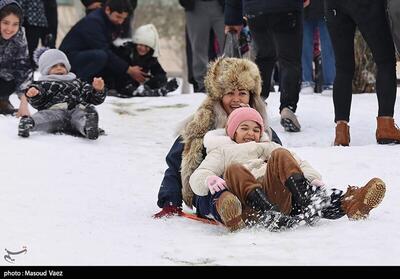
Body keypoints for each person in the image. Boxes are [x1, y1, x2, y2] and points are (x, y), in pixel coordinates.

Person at [190, 107, 386, 231]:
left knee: (281, 154)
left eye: (256, 129)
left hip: (276, 197)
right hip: (249, 203)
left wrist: (312, 178)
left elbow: (298, 162)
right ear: (233, 131)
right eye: (244, 128)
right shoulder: (222, 151)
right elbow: (198, 174)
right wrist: (209, 179)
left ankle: (341, 201)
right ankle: (269, 214)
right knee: (234, 169)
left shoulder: (268, 146)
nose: (251, 133)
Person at [153, 57, 282, 218]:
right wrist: (170, 201)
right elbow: (175, 164)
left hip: (257, 185)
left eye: (242, 93)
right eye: (230, 93)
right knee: (217, 190)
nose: (236, 99)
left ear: (251, 96)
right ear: (219, 96)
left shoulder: (260, 127)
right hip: (211, 189)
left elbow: (279, 158)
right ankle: (228, 207)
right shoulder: (201, 124)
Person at [325, 0, 400, 146]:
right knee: (385, 60)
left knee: (343, 67)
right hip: (366, 4)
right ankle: (386, 126)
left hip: (332, 5)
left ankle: (341, 131)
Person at [225, 0, 304, 133]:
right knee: (289, 59)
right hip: (286, 8)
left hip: (255, 9)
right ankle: (287, 107)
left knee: (264, 56)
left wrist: (233, 18)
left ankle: (257, 100)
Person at [18, 49, 106, 140]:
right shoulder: (43, 84)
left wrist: (98, 90)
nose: (59, 68)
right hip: (54, 111)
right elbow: (38, 102)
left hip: (76, 110)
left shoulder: (77, 82)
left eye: (62, 65)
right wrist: (35, 94)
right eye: (54, 66)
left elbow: (92, 98)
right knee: (44, 117)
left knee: (81, 116)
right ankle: (29, 123)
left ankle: (88, 126)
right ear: (45, 69)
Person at [59, 0, 133, 84]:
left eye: (124, 18)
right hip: (68, 59)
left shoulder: (109, 21)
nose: (121, 21)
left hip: (84, 54)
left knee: (118, 54)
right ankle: (77, 83)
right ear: (108, 10)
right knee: (101, 56)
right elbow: (103, 49)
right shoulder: (93, 21)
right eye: (118, 17)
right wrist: (128, 69)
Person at [109, 24, 178, 97]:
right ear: (136, 43)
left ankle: (154, 90)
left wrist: (158, 80)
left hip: (140, 85)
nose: (143, 48)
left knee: (159, 78)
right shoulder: (125, 51)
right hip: (121, 83)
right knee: (123, 79)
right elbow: (117, 69)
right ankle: (139, 91)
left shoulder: (150, 57)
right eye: (141, 45)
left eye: (147, 46)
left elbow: (160, 73)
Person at [179, 0, 225, 93]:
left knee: (229, 45)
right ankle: (202, 85)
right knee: (198, 48)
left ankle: (231, 81)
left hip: (221, 5)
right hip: (195, 6)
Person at [0, 0, 32, 117]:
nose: (10, 28)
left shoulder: (19, 35)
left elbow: (24, 69)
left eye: (15, 24)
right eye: (5, 22)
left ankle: (2, 100)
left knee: (12, 77)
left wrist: (24, 104)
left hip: (3, 79)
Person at [301, 0, 335, 95]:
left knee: (327, 47)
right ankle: (307, 81)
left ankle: (329, 82)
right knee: (306, 47)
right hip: (308, 9)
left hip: (322, 8)